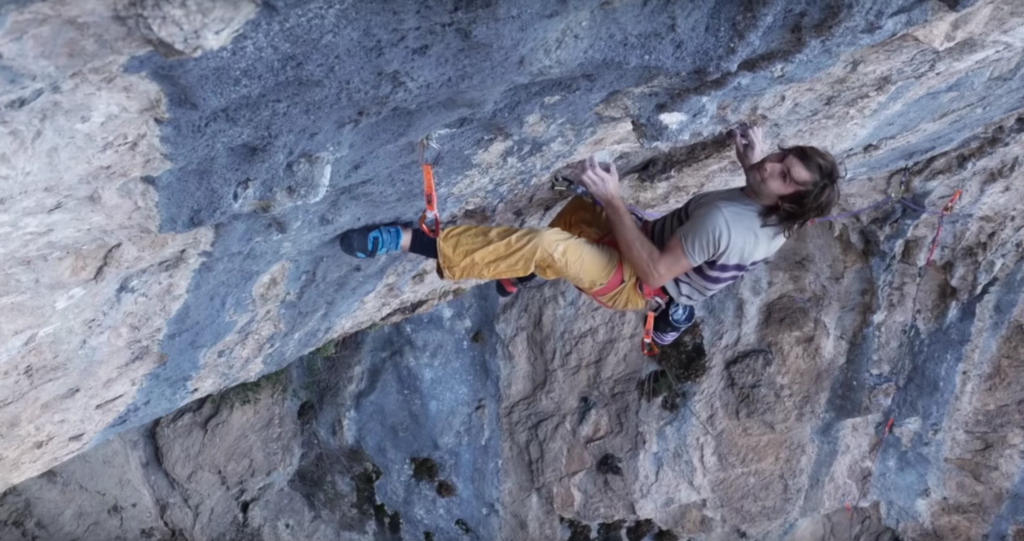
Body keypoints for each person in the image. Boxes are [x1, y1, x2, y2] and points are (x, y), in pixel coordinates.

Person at [337, 124, 840, 346]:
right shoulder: (778, 217)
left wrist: (615, 198)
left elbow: (650, 269)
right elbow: (758, 194)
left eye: (784, 176)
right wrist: (755, 162)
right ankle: (520, 275)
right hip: (653, 251)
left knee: (548, 245)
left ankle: (411, 241)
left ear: (789, 201)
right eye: (781, 158)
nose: (773, 166)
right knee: (578, 211)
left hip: (638, 282)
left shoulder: (727, 224)